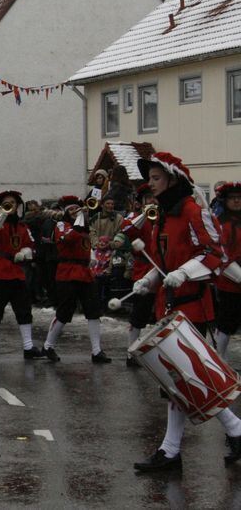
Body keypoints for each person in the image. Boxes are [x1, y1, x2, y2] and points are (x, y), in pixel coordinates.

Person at [129, 152, 241, 471]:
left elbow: (214, 254)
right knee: (178, 379)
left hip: (193, 302)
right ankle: (225, 432)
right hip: (169, 302)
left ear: (173, 179)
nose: (149, 184)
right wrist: (147, 280)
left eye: (155, 178)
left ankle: (173, 450)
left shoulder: (194, 210)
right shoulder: (162, 215)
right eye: (149, 178)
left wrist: (185, 272)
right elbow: (161, 263)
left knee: (184, 378)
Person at [41, 196, 111, 364]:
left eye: (76, 209)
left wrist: (92, 257)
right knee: (64, 312)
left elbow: (86, 245)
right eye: (71, 210)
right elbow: (68, 238)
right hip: (67, 272)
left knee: (93, 311)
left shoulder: (84, 229)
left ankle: (96, 350)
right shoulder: (62, 225)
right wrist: (80, 219)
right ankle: (48, 345)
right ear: (65, 212)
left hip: (84, 272)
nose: (75, 212)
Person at [0, 191, 44, 360]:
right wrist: (2, 214)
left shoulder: (23, 227)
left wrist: (25, 252)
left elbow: (32, 246)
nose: (10, 206)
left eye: (13, 203)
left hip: (16, 272)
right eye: (6, 203)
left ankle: (28, 347)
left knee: (23, 308)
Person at [113, 184, 158, 366]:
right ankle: (132, 352)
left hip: (165, 270)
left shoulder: (167, 216)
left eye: (154, 197)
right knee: (140, 314)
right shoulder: (135, 218)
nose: (152, 201)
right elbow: (125, 231)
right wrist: (143, 216)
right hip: (144, 270)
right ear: (141, 202)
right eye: (148, 198)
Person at [213, 181, 241, 360]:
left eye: (239, 198)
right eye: (233, 198)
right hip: (230, 282)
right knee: (226, 323)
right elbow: (221, 254)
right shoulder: (222, 224)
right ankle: (218, 358)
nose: (237, 201)